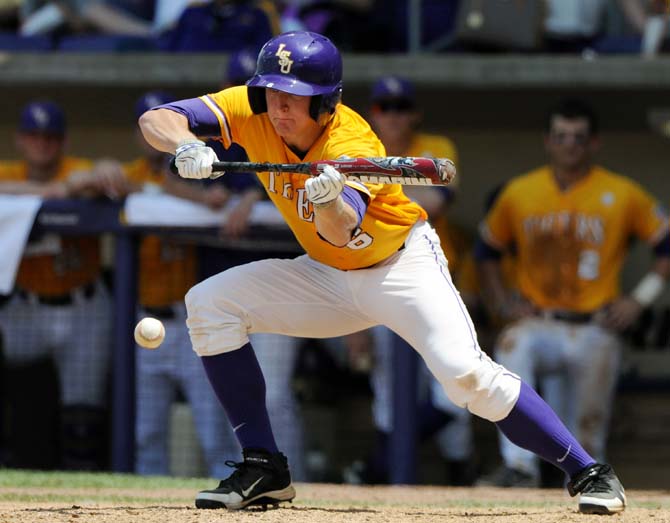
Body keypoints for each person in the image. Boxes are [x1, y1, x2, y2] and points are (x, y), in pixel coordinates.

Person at [138, 30, 627, 514]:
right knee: (209, 303)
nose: (279, 106)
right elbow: (157, 118)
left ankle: (589, 471)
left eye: (296, 98)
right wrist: (184, 145)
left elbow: (342, 230)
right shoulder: (253, 108)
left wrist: (329, 199)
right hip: (327, 276)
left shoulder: (351, 139)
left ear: (326, 102)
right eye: (272, 92)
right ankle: (263, 466)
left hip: (399, 266)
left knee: (466, 378)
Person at [475, 98, 670, 489]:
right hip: (539, 321)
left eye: (579, 138)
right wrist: (503, 300)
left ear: (594, 143)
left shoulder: (622, 192)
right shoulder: (520, 191)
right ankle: (519, 468)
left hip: (595, 324)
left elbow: (666, 245)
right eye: (561, 137)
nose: (570, 145)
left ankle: (589, 480)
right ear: (548, 141)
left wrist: (640, 300)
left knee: (588, 432)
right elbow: (486, 251)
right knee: (513, 344)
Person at [343, 74, 475, 486]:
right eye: (385, 108)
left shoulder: (437, 150)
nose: (394, 117)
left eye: (402, 108)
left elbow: (434, 201)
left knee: (456, 388)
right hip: (380, 284)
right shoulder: (359, 151)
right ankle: (387, 481)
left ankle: (376, 468)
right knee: (389, 395)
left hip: (438, 285)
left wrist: (370, 196)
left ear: (414, 114)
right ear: (373, 115)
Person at [0, 100, 129, 469]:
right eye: (34, 136)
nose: (42, 144)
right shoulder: (9, 172)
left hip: (83, 306)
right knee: (19, 399)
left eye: (50, 137)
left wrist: (92, 176)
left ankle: (83, 488)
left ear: (63, 141)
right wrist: (52, 192)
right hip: (25, 309)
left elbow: (110, 173)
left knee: (83, 416)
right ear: (20, 140)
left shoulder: (78, 170)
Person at [124, 90, 237, 477]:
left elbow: (218, 198)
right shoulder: (131, 175)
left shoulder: (198, 167)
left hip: (193, 324)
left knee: (213, 431)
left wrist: (171, 191)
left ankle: (228, 495)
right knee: (146, 431)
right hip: (146, 317)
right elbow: (100, 181)